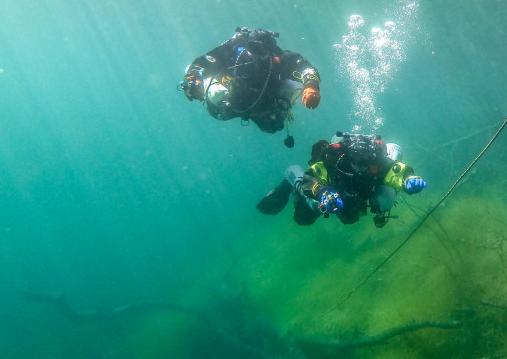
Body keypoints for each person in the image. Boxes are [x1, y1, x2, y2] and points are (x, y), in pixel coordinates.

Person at [257, 132, 427, 228]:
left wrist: (408, 180)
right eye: (357, 162)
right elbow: (311, 177)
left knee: (351, 217)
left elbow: (396, 171)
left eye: (364, 163)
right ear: (349, 157)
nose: (360, 167)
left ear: (372, 159)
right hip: (330, 190)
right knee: (304, 217)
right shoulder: (336, 161)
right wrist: (322, 192)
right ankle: (292, 175)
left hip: (351, 196)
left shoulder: (378, 163)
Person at [178, 27, 321, 140]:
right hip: (229, 104)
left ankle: (281, 107)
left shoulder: (280, 60)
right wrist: (192, 79)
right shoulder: (231, 53)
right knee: (209, 87)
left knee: (274, 125)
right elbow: (202, 62)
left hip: (264, 108)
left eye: (262, 51)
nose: (256, 55)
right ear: (246, 46)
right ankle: (211, 90)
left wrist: (311, 86)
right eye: (253, 49)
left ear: (271, 51)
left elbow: (306, 67)